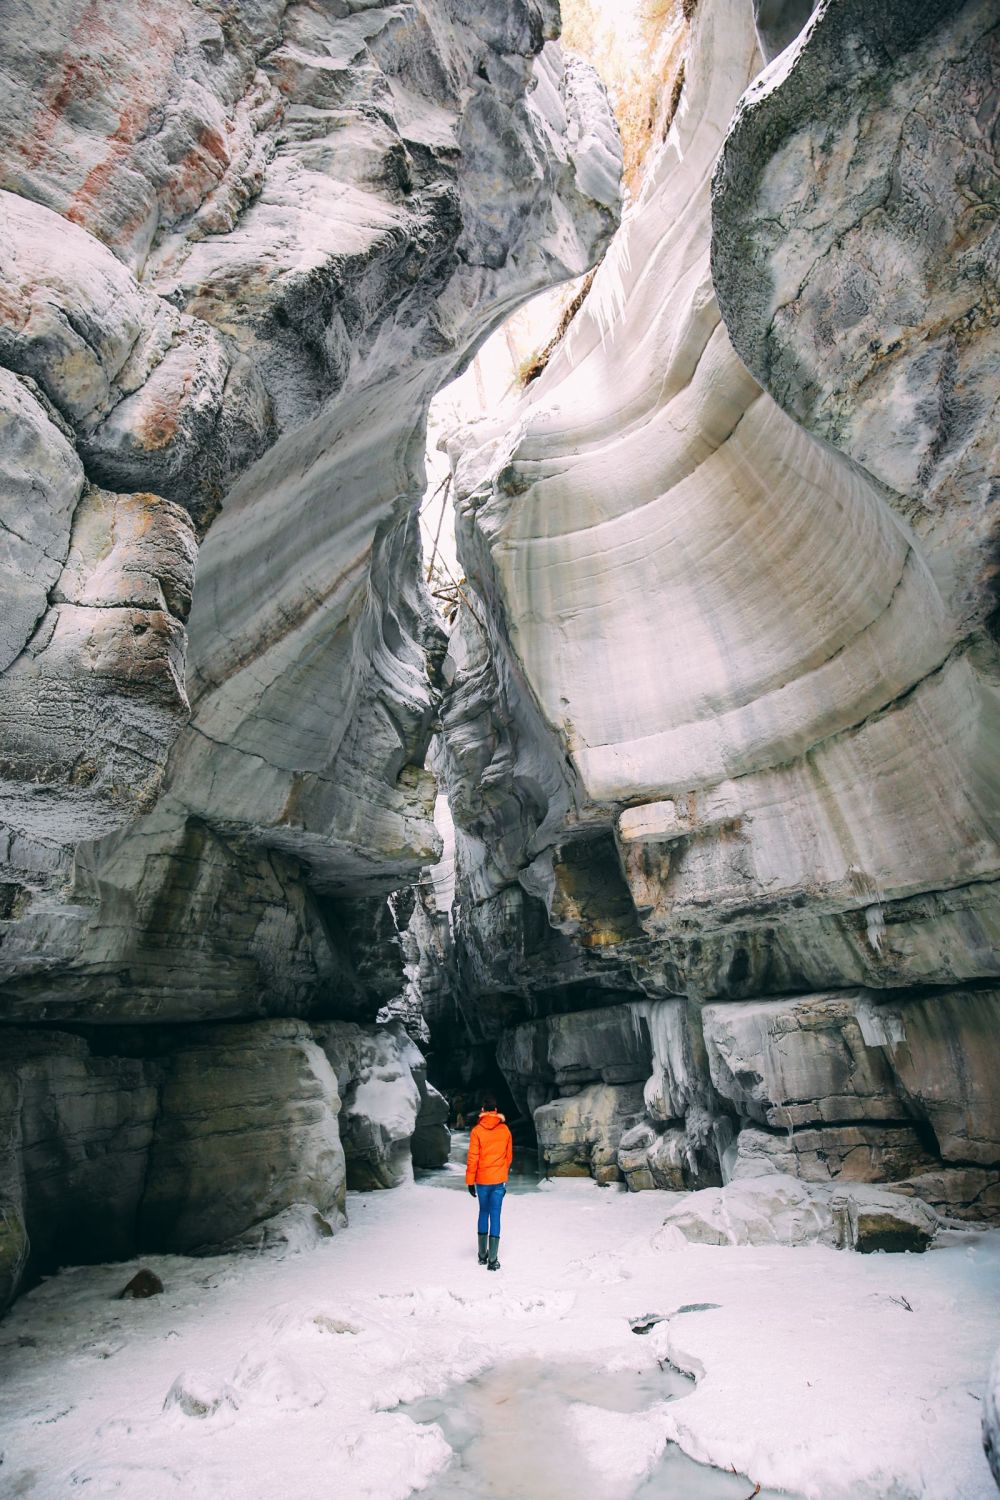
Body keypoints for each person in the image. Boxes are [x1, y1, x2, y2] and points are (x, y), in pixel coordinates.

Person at [465, 1092, 513, 1271]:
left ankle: (482, 1256)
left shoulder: (477, 1131)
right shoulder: (505, 1130)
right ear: (496, 1110)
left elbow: (473, 1159)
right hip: (498, 1180)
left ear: (483, 1110)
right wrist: (501, 1171)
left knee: (483, 1212)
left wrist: (470, 1181)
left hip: (482, 1180)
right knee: (496, 1215)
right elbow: (508, 1157)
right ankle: (493, 1260)